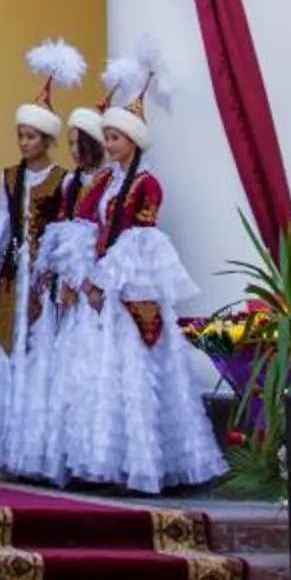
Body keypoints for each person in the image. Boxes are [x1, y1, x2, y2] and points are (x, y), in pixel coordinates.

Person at [64, 50, 224, 493]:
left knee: (135, 376)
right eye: (108, 136)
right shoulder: (108, 183)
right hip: (105, 293)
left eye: (115, 137)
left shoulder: (146, 184)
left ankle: (141, 465)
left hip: (130, 292)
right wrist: (87, 276)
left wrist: (103, 280)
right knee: (102, 377)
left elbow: (139, 240)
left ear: (134, 141)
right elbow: (90, 228)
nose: (110, 144)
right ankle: (101, 462)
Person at [0, 39, 83, 473]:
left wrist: (54, 272)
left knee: (40, 357)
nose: (24, 142)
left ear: (48, 139)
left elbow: (63, 232)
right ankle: (8, 449)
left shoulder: (62, 179)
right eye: (20, 135)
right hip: (11, 278)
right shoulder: (9, 177)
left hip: (42, 282)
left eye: (31, 136)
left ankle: (36, 450)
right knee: (7, 351)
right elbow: (3, 225)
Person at [8, 103, 110, 483]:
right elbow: (61, 228)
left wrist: (84, 277)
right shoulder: (73, 183)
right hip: (63, 287)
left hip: (91, 286)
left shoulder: (107, 182)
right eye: (70, 142)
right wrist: (49, 270)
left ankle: (91, 460)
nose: (73, 150)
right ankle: (59, 456)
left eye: (78, 142)